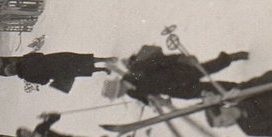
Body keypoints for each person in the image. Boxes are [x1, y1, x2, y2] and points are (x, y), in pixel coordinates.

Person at [106, 45, 250, 104]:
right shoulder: (131, 93)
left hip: (178, 73)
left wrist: (181, 58)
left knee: (209, 68)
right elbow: (146, 98)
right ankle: (238, 88)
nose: (120, 95)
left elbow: (159, 61)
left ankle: (231, 58)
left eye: (118, 93)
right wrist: (156, 102)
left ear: (119, 87)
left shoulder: (135, 71)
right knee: (208, 90)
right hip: (177, 90)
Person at [0, 51, 116, 93]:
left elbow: (44, 81)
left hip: (56, 72)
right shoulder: (25, 59)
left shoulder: (27, 77)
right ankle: (104, 59)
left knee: (78, 70)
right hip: (55, 58)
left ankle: (103, 69)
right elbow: (39, 54)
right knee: (79, 59)